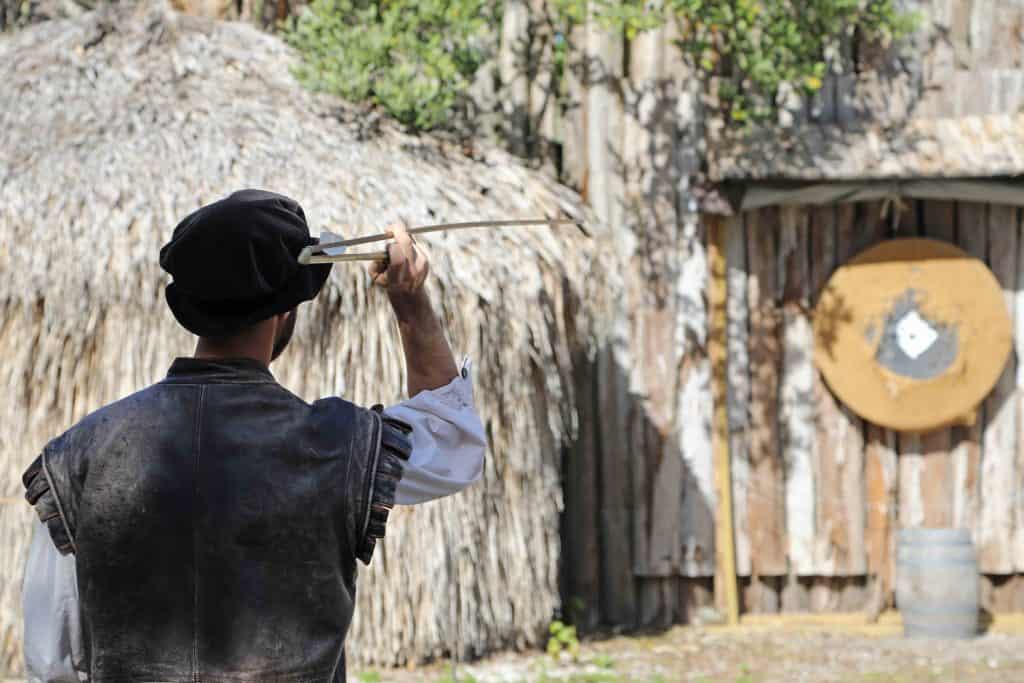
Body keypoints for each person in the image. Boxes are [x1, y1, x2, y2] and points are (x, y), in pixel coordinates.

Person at [21, 189, 487, 682]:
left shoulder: (80, 456)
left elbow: (51, 662)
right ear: (286, 309)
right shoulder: (336, 445)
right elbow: (452, 439)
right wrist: (410, 303)